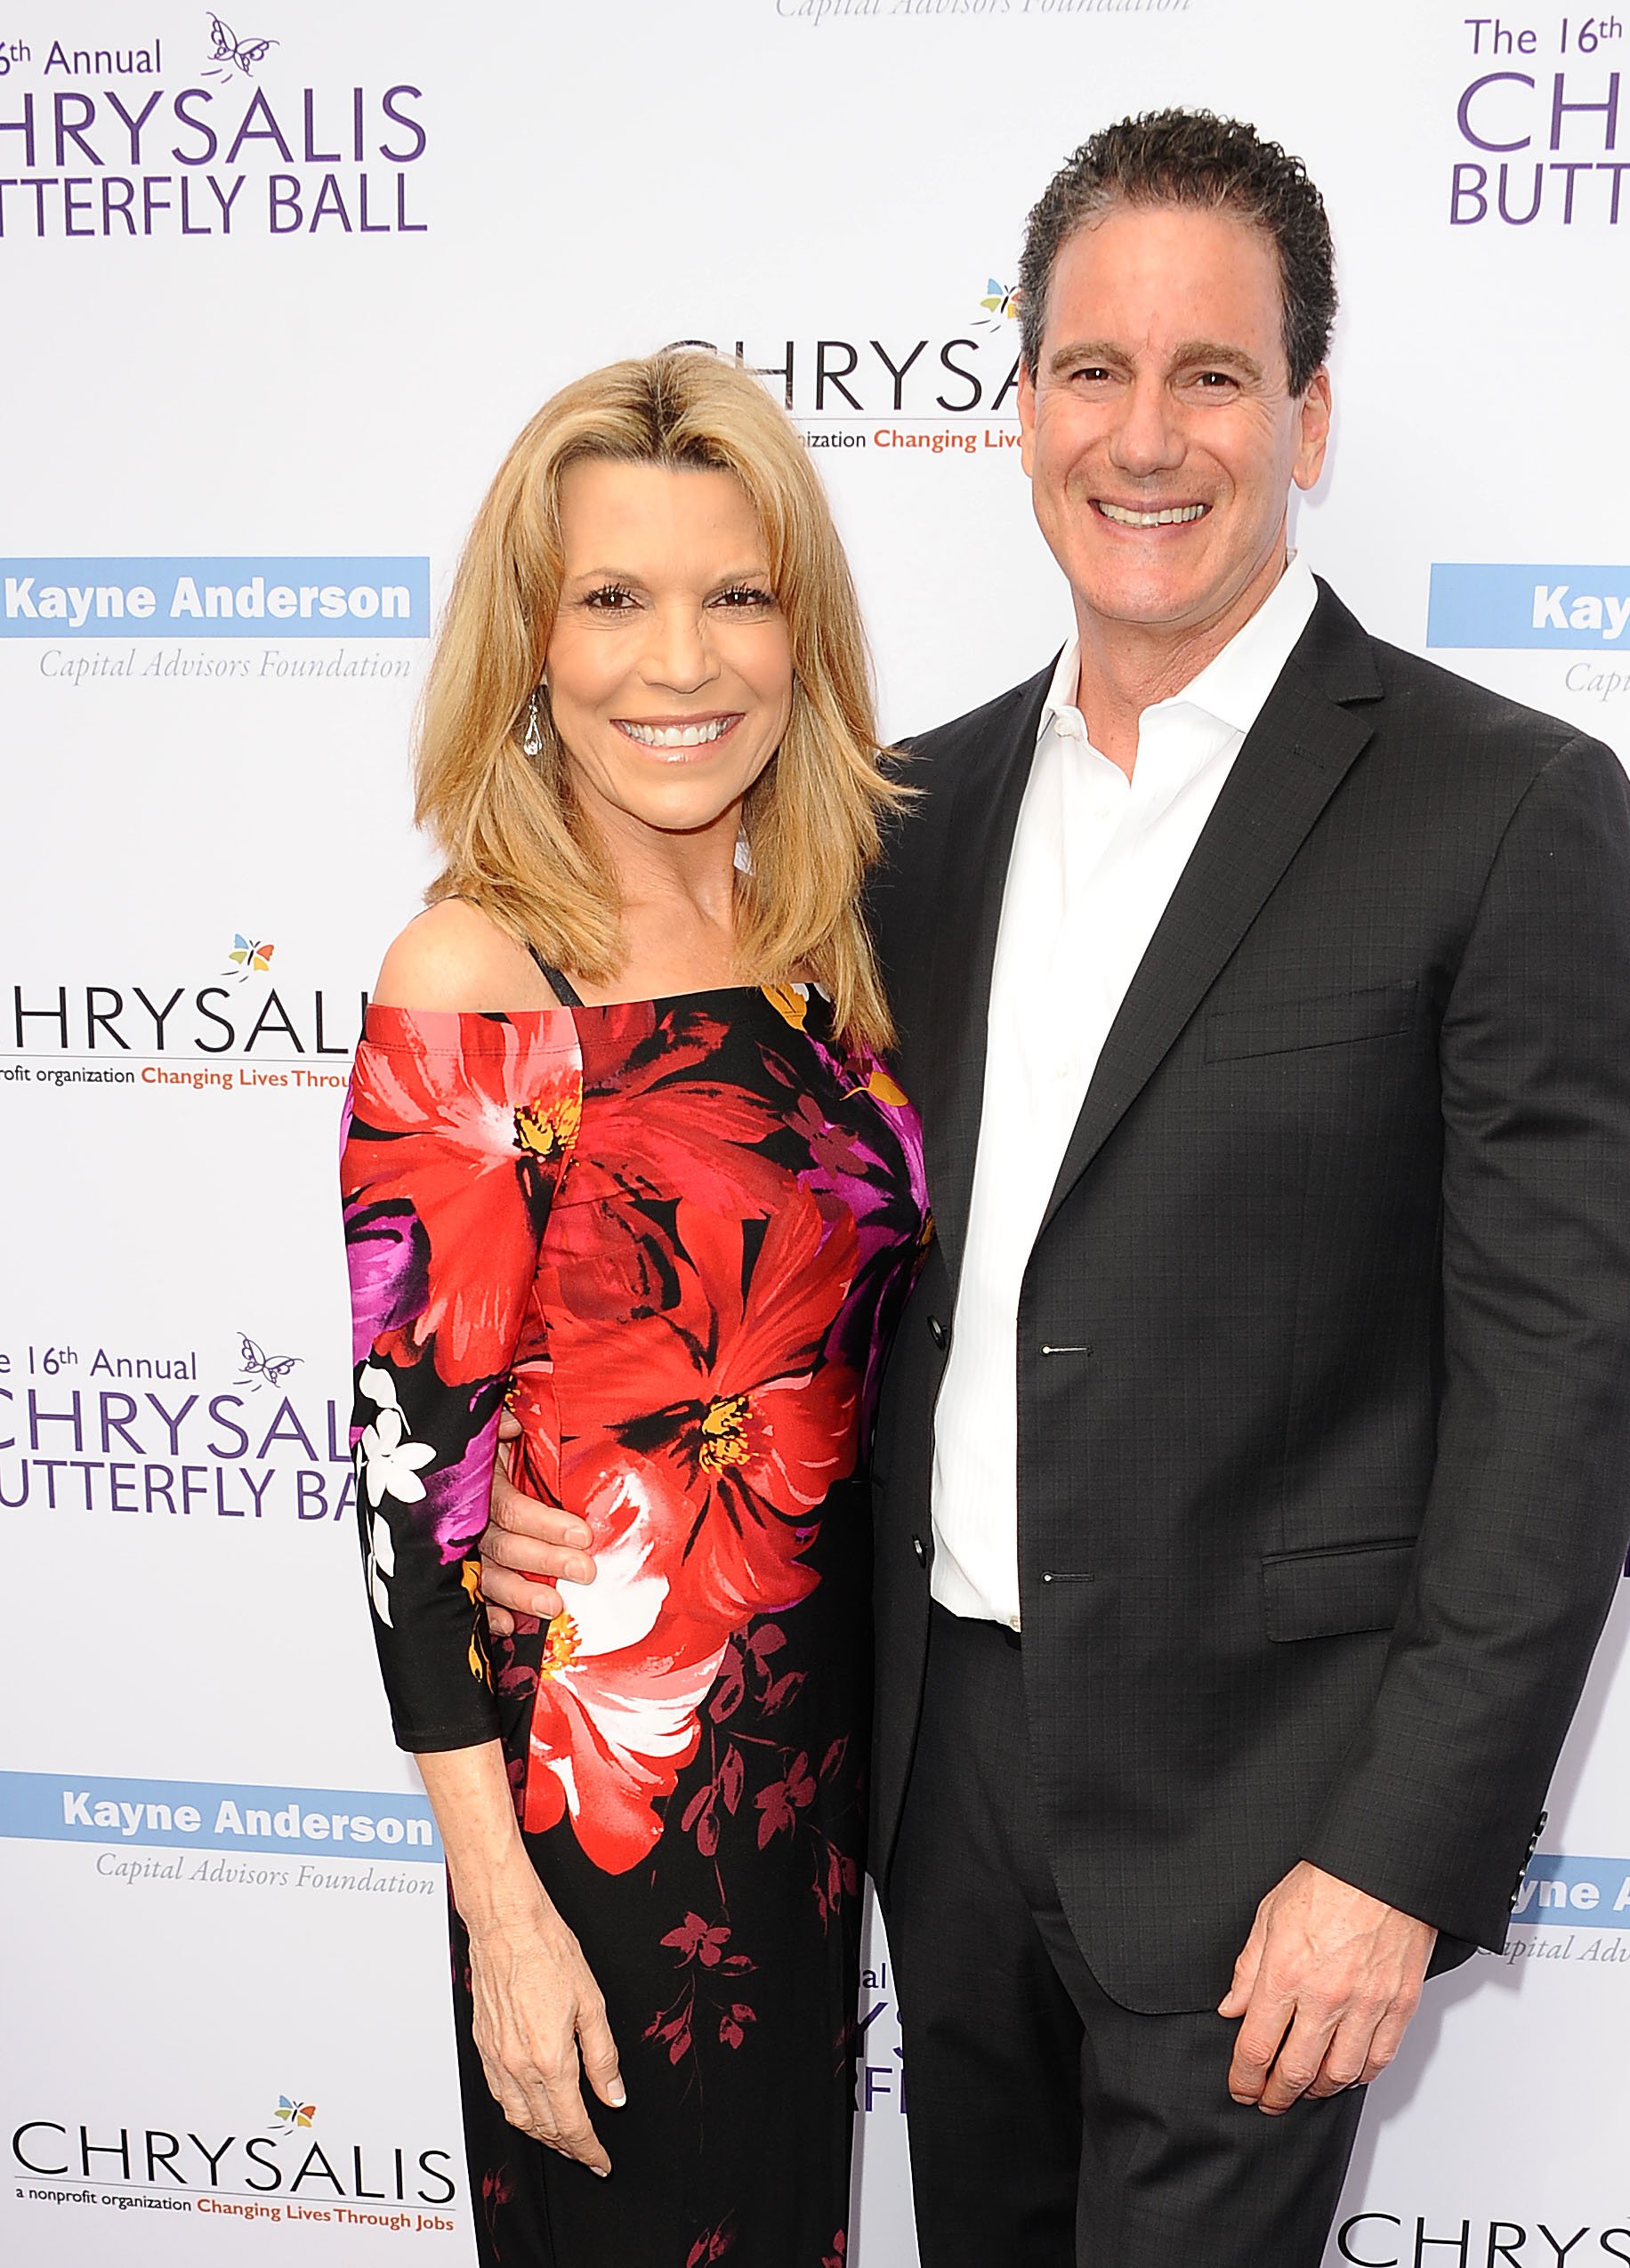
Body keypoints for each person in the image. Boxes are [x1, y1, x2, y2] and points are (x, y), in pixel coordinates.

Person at [477, 112, 1630, 2267]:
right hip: (930, 1782)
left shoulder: (1505, 814)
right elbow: (754, 1243)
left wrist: (1396, 1856)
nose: (1150, 436)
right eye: (1094, 373)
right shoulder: (891, 824)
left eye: (1212, 375)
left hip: (1268, 1828)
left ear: (1307, 415)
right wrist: (564, 1490)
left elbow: (1562, 1395)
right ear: (1022, 410)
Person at [340, 351, 927, 2268]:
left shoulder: (821, 947)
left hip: (814, 1783)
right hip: (600, 1822)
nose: (679, 662)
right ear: (530, 640)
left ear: (800, 635)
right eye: (615, 598)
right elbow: (407, 1498)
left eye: (735, 595)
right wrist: (499, 1922)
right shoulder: (481, 970)